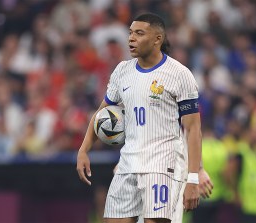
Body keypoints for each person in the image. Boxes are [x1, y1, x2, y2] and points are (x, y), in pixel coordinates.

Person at [77, 13, 203, 223]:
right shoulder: (122, 71)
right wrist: (83, 149)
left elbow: (193, 130)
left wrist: (193, 178)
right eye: (130, 33)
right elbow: (101, 114)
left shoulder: (179, 75)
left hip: (161, 166)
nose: (131, 38)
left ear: (157, 39)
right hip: (127, 165)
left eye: (139, 33)